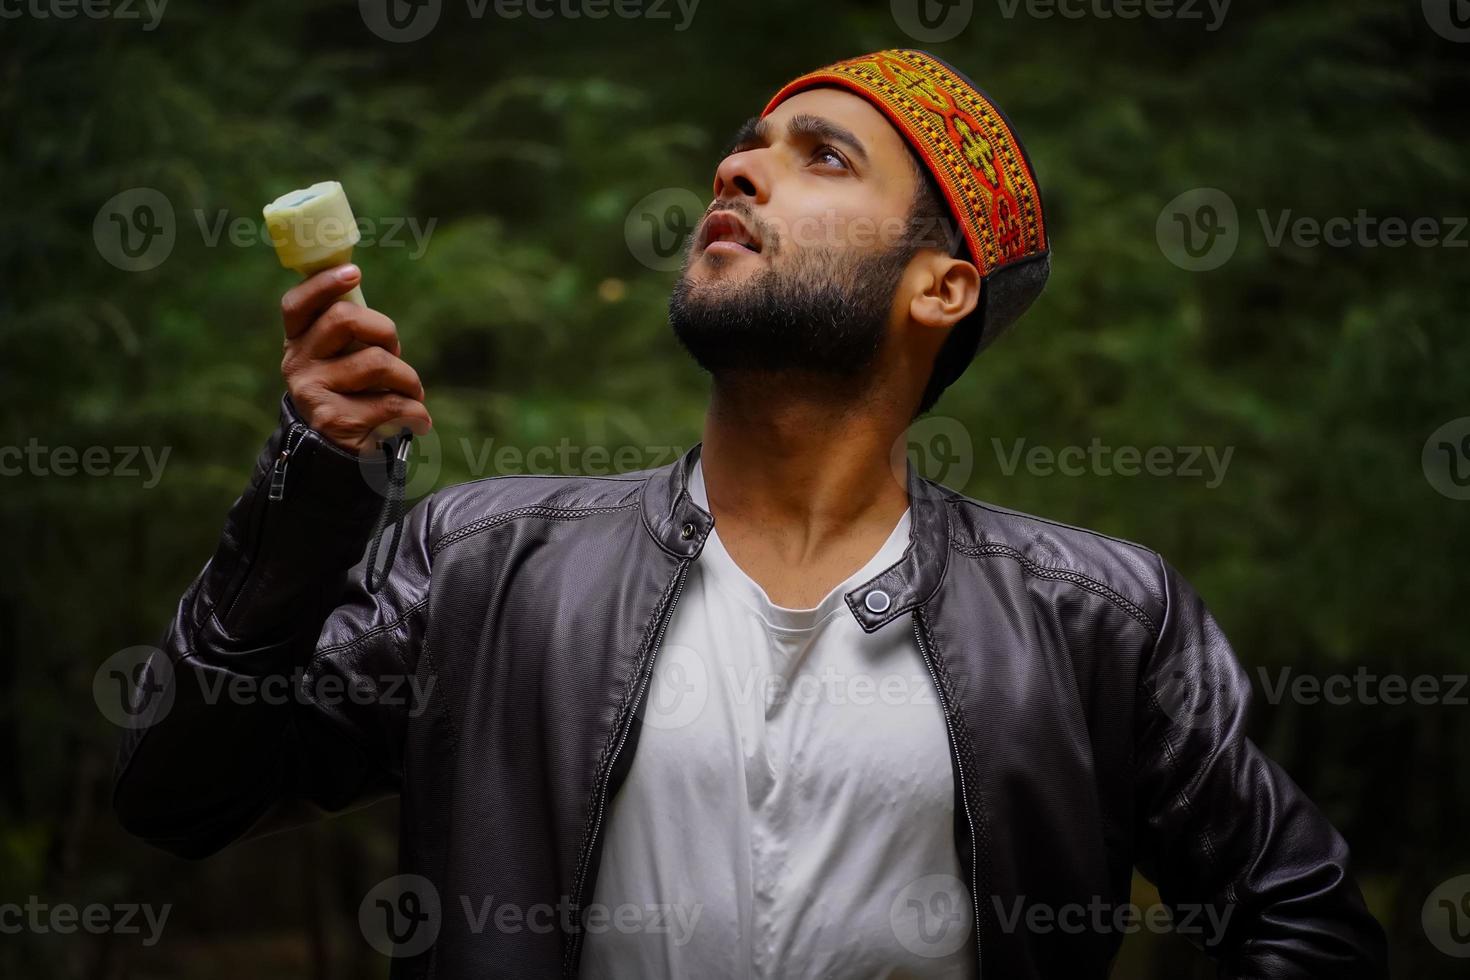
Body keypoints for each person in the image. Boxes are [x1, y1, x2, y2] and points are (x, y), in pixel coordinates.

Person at [112, 49, 1388, 979]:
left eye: (821, 156)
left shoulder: (1101, 619)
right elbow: (182, 793)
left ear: (942, 287)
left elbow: (1307, 924)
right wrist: (312, 491)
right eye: (747, 144)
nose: (736, 165)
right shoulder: (483, 564)